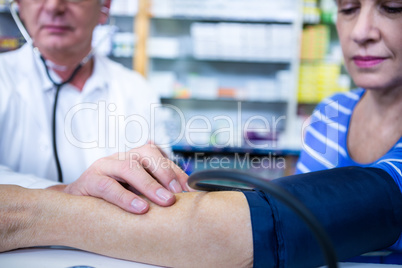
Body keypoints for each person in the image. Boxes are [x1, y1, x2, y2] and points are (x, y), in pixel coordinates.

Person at [0, 0, 190, 214]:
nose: (54, 6)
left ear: (104, 8)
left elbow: (163, 174)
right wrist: (65, 192)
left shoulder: (136, 89)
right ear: (19, 6)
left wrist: (158, 173)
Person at [295, 0, 402, 250]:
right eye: (348, 9)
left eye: (393, 7)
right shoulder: (330, 112)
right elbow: (295, 212)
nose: (360, 32)